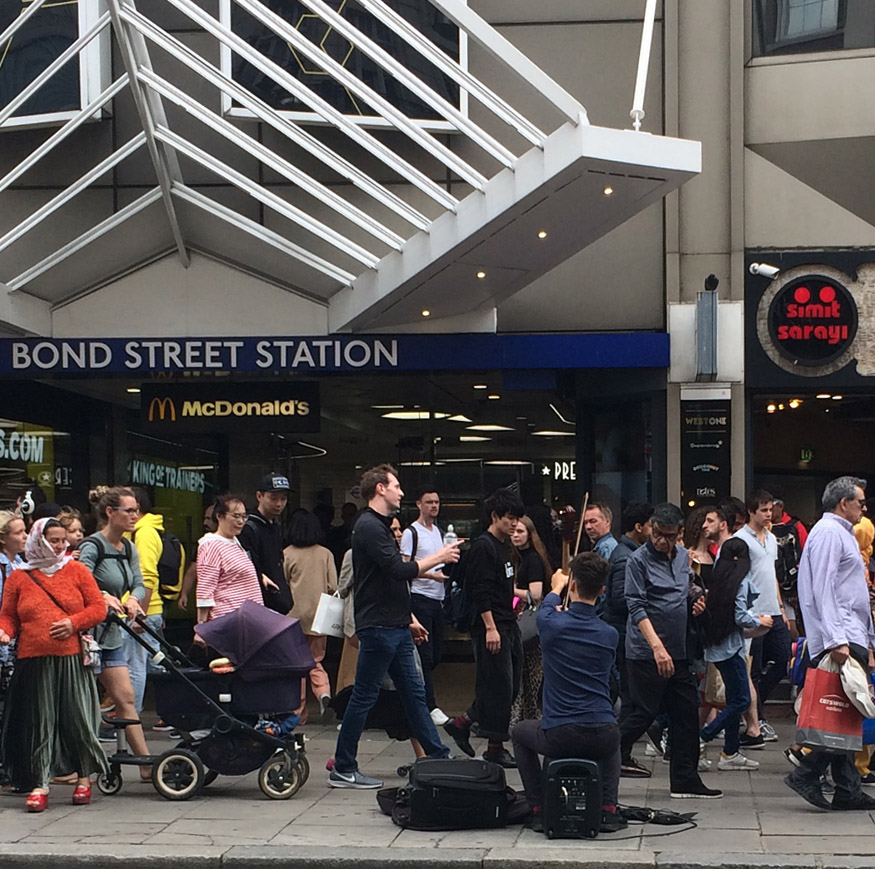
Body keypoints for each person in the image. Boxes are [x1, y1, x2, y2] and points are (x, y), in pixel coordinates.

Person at [330, 464, 459, 789]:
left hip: (396, 625)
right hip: (379, 627)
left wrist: (409, 619)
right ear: (380, 490)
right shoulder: (370, 527)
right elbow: (396, 570)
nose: (401, 492)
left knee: (414, 695)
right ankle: (344, 766)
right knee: (364, 696)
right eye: (396, 486)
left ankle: (437, 756)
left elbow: (394, 571)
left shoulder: (380, 526)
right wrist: (439, 556)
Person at [512, 552, 626, 835]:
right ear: (602, 590)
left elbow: (546, 604)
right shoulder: (609, 633)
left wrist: (557, 584)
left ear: (573, 585)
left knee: (518, 732)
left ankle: (537, 808)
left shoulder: (551, 624)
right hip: (601, 731)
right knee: (613, 737)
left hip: (560, 734)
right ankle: (608, 810)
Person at [0, 518, 108, 812]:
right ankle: (41, 783)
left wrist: (73, 623)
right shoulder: (19, 577)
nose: (61, 546)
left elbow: (98, 608)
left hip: (72, 659)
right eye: (54, 540)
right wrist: (5, 632)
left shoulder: (76, 570)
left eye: (63, 540)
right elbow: (8, 615)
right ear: (39, 540)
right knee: (41, 722)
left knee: (77, 720)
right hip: (33, 660)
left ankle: (84, 778)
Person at [618, 502, 722, 799]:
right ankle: (603, 757)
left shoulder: (682, 559)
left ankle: (685, 778)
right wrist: (656, 647)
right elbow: (635, 606)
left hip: (678, 649)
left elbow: (685, 589)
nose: (661, 541)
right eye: (657, 534)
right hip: (645, 650)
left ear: (679, 534)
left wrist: (696, 600)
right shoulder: (638, 561)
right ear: (650, 528)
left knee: (686, 713)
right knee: (642, 713)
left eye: (669, 535)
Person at [786, 476, 875, 812]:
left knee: (845, 713)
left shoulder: (840, 534)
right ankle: (807, 772)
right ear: (843, 503)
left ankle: (847, 787)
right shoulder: (828, 534)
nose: (864, 508)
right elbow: (822, 588)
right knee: (842, 711)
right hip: (840, 634)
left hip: (849, 632)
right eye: (860, 502)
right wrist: (837, 638)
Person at [444, 488, 526, 768]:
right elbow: (480, 590)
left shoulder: (504, 546)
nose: (514, 524)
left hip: (508, 622)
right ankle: (494, 746)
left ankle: (463, 722)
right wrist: (490, 627)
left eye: (517, 519)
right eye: (509, 518)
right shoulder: (483, 546)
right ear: (495, 516)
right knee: (498, 686)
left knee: (510, 685)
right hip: (492, 627)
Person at [78, 487, 151, 771]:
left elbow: (139, 582)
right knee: (81, 702)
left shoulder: (129, 547)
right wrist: (102, 595)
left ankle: (145, 764)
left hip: (110, 636)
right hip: (86, 636)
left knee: (126, 697)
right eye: (129, 511)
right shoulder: (92, 546)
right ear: (111, 513)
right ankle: (78, 764)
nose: (135, 516)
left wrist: (133, 598)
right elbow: (80, 581)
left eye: (136, 510)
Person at [699, 537, 772, 771]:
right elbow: (741, 616)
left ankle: (730, 752)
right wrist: (759, 620)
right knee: (741, 699)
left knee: (733, 697)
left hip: (719, 647)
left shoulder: (719, 580)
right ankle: (705, 734)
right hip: (732, 648)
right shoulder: (740, 582)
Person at [734, 489, 789, 747]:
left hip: (773, 609)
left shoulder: (771, 537)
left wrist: (780, 605)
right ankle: (754, 722)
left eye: (770, 510)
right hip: (753, 611)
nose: (769, 515)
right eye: (764, 510)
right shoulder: (740, 539)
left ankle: (760, 706)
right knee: (752, 669)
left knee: (781, 660)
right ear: (752, 512)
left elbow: (772, 573)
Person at [400, 487, 450, 726]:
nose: (433, 506)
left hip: (437, 599)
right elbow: (406, 566)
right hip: (420, 596)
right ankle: (429, 704)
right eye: (429, 502)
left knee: (437, 652)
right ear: (419, 504)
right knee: (425, 654)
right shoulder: (412, 533)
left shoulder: (439, 532)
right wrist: (432, 576)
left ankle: (422, 699)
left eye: (437, 502)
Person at [283, 510, 338, 724]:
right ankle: (323, 692)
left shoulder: (287, 553)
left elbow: (282, 585)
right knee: (315, 661)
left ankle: (298, 713)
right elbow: (333, 586)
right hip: (320, 616)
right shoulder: (325, 554)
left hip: (293, 617)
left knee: (296, 666)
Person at [121, 488, 168, 713]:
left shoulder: (145, 532)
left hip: (140, 610)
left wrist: (141, 613)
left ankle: (132, 716)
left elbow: (147, 575)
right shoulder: (139, 531)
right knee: (152, 663)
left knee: (135, 666)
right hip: (144, 608)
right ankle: (172, 712)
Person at [604, 502, 652, 707]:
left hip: (624, 630)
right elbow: (621, 598)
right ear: (639, 527)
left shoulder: (630, 552)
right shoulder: (626, 557)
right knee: (629, 688)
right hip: (625, 631)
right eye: (651, 526)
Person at [196, 494, 266, 624]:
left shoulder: (234, 542)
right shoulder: (211, 545)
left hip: (246, 621)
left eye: (244, 516)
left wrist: (261, 577)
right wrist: (201, 626)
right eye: (236, 516)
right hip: (229, 621)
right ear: (219, 516)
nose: (241, 521)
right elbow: (205, 589)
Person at [509, 514, 550, 725]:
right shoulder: (521, 558)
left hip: (530, 622)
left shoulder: (532, 559)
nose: (515, 535)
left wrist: (510, 589)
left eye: (520, 531)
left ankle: (528, 717)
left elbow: (536, 593)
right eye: (513, 531)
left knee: (530, 673)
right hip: (527, 621)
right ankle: (525, 717)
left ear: (529, 534)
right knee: (525, 672)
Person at [238, 473, 292, 614]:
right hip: (261, 605)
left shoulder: (274, 526)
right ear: (259, 496)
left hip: (278, 603)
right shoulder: (248, 528)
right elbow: (248, 569)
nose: (279, 504)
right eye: (273, 498)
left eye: (283, 498)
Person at [0, 510, 27, 786]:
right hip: (2, 644)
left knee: (9, 706)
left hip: (15, 646)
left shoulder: (20, 564)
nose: (25, 537)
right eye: (19, 533)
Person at [178, 504, 219, 610]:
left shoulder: (235, 542)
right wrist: (184, 594)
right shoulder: (204, 543)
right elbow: (192, 570)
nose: (205, 523)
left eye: (209, 519)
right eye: (205, 518)